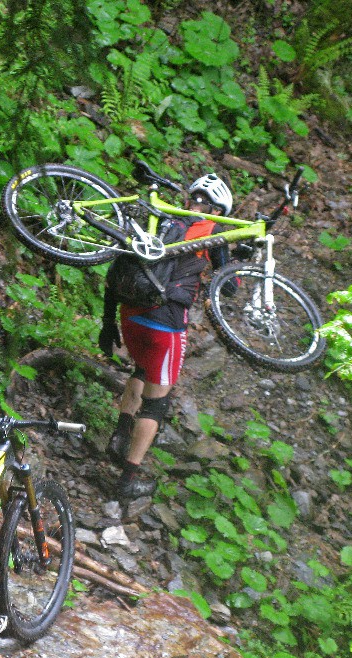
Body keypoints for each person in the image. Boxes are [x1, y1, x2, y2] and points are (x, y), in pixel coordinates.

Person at [99, 173, 233, 499]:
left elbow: (123, 265)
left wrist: (107, 322)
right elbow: (228, 286)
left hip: (128, 314)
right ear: (218, 208)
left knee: (141, 371)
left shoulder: (161, 219)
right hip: (166, 323)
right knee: (158, 404)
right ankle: (127, 480)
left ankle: (119, 436)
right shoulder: (213, 230)